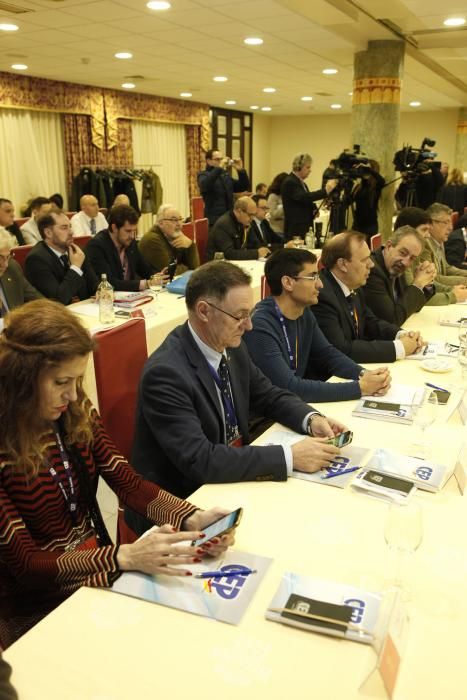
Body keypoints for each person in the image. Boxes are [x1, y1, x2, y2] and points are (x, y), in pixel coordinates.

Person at [0, 299, 234, 648]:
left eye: (78, 380)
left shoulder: (73, 412)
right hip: (35, 608)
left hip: (94, 573)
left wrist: (193, 519)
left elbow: (127, 482)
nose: (72, 394)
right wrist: (123, 556)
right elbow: (27, 564)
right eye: (61, 381)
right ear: (21, 378)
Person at [126, 261, 347, 531]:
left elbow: (268, 394)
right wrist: (289, 457)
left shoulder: (229, 343)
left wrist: (310, 418)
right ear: (204, 311)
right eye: (240, 316)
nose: (249, 326)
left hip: (230, 477)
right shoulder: (166, 373)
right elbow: (201, 460)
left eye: (250, 314)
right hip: (184, 505)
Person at [244, 248, 390, 402]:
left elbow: (328, 354)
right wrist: (360, 388)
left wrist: (364, 374)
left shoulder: (304, 313)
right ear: (288, 283)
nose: (320, 284)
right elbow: (289, 387)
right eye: (313, 277)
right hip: (267, 418)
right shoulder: (259, 326)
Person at [311, 231, 424, 363]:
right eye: (364, 260)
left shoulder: (354, 286)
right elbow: (341, 349)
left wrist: (402, 334)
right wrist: (399, 347)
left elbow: (370, 322)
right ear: (342, 264)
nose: (371, 264)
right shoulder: (322, 295)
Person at [363, 226, 436, 325]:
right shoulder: (372, 271)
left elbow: (412, 307)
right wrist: (417, 284)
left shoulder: (396, 266)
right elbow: (392, 319)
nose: (406, 262)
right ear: (389, 246)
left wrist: (426, 283)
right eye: (403, 253)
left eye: (412, 258)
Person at [394, 207, 467, 304]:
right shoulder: (407, 255)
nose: (428, 235)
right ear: (407, 229)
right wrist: (452, 295)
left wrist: (451, 290)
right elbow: (414, 295)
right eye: (424, 230)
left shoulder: (416, 251)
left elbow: (428, 283)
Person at [24, 211, 98, 305]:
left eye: (70, 226)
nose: (71, 232)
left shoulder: (77, 251)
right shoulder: (36, 260)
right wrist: (75, 268)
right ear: (48, 233)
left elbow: (94, 285)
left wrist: (100, 291)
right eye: (64, 228)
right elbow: (58, 300)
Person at [86, 205, 155, 291]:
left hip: (129, 298)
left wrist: (158, 277)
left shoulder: (130, 242)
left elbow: (146, 270)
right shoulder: (96, 246)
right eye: (128, 231)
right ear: (114, 228)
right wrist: (146, 284)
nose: (132, 236)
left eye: (134, 231)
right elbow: (108, 283)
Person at [281, 153, 337, 239]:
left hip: (304, 227)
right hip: (296, 229)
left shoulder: (301, 183)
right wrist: (325, 191)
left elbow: (304, 200)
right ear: (299, 167)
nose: (310, 170)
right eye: (308, 167)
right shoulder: (290, 182)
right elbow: (304, 197)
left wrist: (313, 208)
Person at [139, 203, 200, 275]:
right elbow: (173, 273)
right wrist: (187, 268)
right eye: (174, 220)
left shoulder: (176, 237)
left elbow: (196, 270)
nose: (179, 224)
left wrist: (191, 245)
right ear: (161, 223)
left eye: (180, 219)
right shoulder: (151, 240)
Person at [197, 149, 251, 227]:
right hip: (215, 220)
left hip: (230, 218)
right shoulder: (203, 175)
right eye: (217, 159)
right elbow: (205, 186)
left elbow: (243, 187)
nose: (221, 161)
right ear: (209, 161)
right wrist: (219, 168)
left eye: (221, 159)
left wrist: (240, 170)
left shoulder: (225, 175)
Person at [206, 196, 269, 261]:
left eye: (254, 215)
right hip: (217, 265)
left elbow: (255, 244)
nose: (252, 218)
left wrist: (263, 250)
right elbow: (229, 254)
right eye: (250, 215)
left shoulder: (244, 222)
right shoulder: (223, 225)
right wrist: (256, 253)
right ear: (239, 211)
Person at [0, 229, 42, 316]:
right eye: (0, 257)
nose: (5, 264)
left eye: (7, 257)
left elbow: (38, 301)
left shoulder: (12, 268)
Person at [425, 203, 467, 285]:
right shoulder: (425, 245)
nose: (450, 227)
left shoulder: (439, 241)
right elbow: (433, 278)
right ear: (430, 223)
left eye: (450, 222)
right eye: (445, 222)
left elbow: (447, 268)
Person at [351, 159, 385, 240]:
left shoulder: (376, 186)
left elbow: (381, 181)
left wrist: (368, 169)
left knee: (369, 251)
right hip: (357, 224)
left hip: (370, 226)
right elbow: (349, 201)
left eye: (367, 169)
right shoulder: (359, 186)